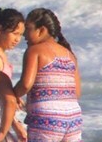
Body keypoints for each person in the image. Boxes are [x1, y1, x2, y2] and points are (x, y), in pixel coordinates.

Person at [15, 8, 81, 142]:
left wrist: (11, 94)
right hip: (73, 118)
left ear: (42, 30)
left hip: (46, 119)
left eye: (28, 29)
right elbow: (77, 92)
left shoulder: (34, 51)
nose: (24, 35)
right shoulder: (69, 54)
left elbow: (26, 84)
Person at [0, 8, 29, 139]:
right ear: (0, 30)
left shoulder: (0, 54)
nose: (18, 39)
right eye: (15, 33)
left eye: (21, 35)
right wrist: (16, 125)